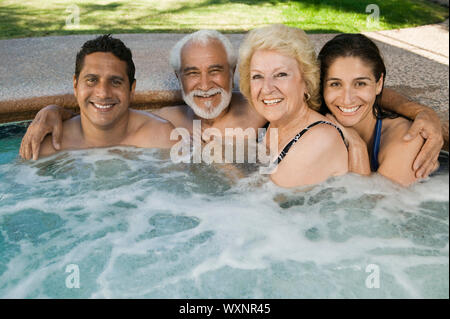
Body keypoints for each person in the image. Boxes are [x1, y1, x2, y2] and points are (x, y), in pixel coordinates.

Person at [20, 29, 443, 178]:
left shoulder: (267, 107)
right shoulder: (169, 120)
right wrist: (51, 111)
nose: (205, 86)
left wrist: (423, 112)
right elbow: (106, 112)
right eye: (191, 73)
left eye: (216, 71)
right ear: (179, 81)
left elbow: (347, 88)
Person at [318, 33, 436, 186]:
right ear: (322, 86)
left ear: (379, 84)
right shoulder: (317, 122)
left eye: (360, 84)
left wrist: (357, 145)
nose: (347, 99)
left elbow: (370, 207)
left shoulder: (406, 139)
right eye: (335, 84)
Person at [238, 24, 348, 187]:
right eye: (257, 76)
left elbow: (262, 203)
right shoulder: (270, 125)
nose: (267, 88)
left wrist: (219, 164)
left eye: (281, 74)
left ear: (306, 81)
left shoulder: (321, 139)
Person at [33, 34, 176, 158]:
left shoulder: (161, 138)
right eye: (91, 80)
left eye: (115, 82)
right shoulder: (47, 146)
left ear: (132, 90)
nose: (103, 93)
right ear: (75, 85)